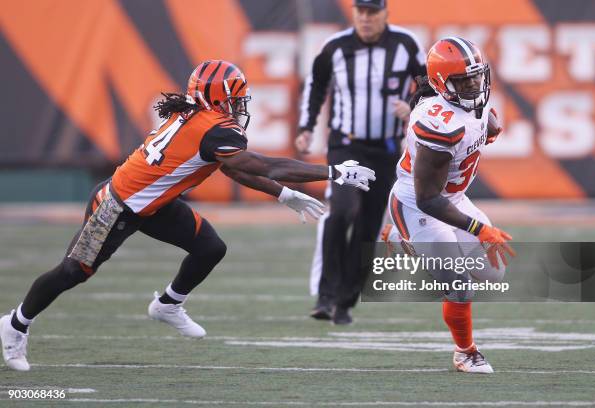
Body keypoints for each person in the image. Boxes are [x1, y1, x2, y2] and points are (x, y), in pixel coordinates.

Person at [0, 60, 376, 371]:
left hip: (155, 203)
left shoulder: (197, 117)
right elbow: (262, 164)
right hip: (117, 205)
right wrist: (334, 172)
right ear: (220, 98)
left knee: (210, 247)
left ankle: (167, 304)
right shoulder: (212, 129)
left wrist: (284, 195)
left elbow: (233, 169)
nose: (241, 103)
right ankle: (15, 325)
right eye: (236, 97)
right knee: (72, 272)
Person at [385, 37, 513, 373]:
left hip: (452, 198)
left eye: (477, 76)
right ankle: (465, 352)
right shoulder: (438, 125)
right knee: (458, 284)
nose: (474, 84)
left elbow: (479, 124)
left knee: (493, 271)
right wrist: (480, 228)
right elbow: (429, 198)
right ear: (444, 84)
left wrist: (489, 129)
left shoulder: (471, 101)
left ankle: (404, 241)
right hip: (419, 205)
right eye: (464, 80)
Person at [296, 0, 426, 324]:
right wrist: (306, 126)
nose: (366, 18)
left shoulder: (406, 44)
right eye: (361, 11)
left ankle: (345, 302)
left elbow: (428, 87)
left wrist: (413, 108)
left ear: (385, 14)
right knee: (342, 210)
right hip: (346, 145)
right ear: (354, 13)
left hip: (384, 149)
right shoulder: (335, 47)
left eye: (372, 12)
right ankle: (326, 296)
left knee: (368, 228)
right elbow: (315, 86)